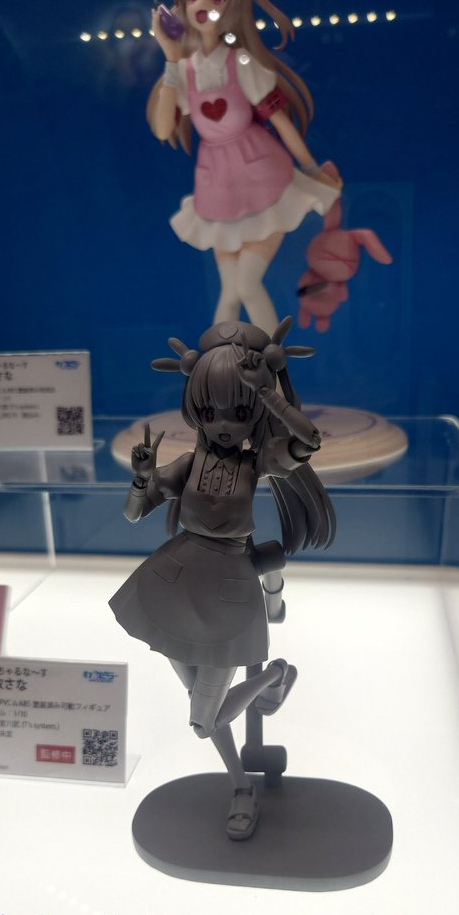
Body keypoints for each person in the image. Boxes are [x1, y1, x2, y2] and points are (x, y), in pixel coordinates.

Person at [109, 317, 335, 840]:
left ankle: (273, 675)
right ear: (195, 411)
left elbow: (309, 441)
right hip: (174, 582)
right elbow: (134, 513)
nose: (225, 424)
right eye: (211, 412)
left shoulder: (257, 464)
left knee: (203, 719)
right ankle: (240, 784)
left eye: (239, 410)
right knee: (204, 707)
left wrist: (268, 394)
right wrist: (142, 478)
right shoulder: (189, 463)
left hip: (228, 589)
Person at [148, 0, 342, 334]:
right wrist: (171, 58)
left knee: (247, 284)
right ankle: (220, 367)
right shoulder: (185, 70)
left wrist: (312, 170)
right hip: (218, 189)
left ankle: (272, 364)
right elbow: (163, 129)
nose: (202, 4)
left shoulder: (240, 63)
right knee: (230, 291)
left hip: (264, 182)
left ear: (233, 5)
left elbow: (281, 122)